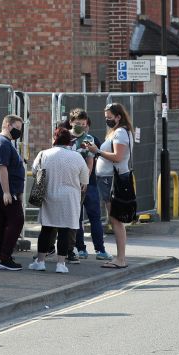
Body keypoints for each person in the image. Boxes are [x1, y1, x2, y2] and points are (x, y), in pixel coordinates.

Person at [28, 124, 89, 273]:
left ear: (55, 138)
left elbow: (35, 171)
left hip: (49, 195)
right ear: (70, 141)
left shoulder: (44, 154)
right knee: (65, 230)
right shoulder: (77, 157)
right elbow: (84, 181)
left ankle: (40, 261)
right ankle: (61, 264)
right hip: (70, 198)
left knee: (47, 229)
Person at [82, 103, 134, 269]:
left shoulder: (120, 133)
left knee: (116, 219)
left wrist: (97, 151)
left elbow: (118, 157)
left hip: (112, 180)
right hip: (108, 179)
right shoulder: (118, 131)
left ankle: (120, 259)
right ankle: (120, 258)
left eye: (110, 117)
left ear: (118, 117)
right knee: (115, 219)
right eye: (106, 118)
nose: (107, 120)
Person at [68, 109, 111, 261]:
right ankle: (81, 249)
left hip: (89, 184)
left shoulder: (88, 139)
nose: (80, 126)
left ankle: (100, 249)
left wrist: (84, 181)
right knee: (76, 218)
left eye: (83, 124)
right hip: (71, 183)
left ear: (87, 125)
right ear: (71, 122)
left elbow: (90, 162)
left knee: (94, 217)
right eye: (77, 123)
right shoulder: (65, 138)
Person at [0, 114, 26, 271]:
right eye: (17, 128)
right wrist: (6, 192)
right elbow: (2, 168)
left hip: (8, 190)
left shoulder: (5, 142)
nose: (19, 132)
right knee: (16, 221)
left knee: (4, 222)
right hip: (5, 191)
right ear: (8, 125)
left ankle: (2, 256)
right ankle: (4, 257)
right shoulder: (2, 142)